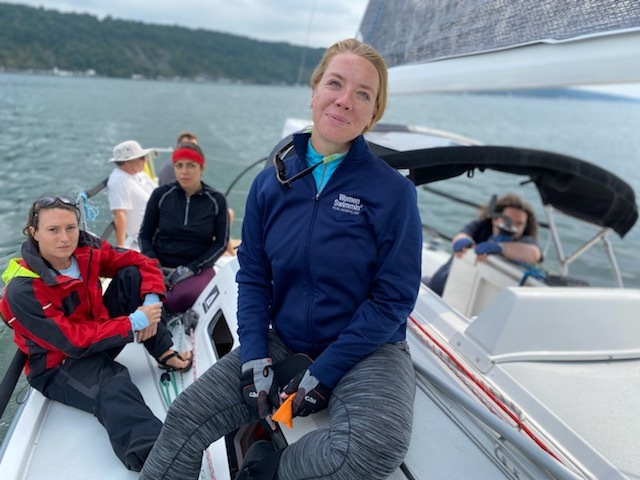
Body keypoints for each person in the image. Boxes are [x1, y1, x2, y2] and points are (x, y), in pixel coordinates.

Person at [140, 38, 423, 480]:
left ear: (373, 113)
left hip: (368, 347)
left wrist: (325, 373)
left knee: (373, 448)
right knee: (184, 417)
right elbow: (253, 276)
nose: (345, 100)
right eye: (335, 84)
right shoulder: (269, 185)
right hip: (284, 336)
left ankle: (262, 472)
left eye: (363, 94)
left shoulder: (393, 193)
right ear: (314, 92)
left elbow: (394, 299)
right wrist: (253, 354)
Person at [0, 195, 192, 471]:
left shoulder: (86, 248)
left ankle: (162, 350)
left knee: (131, 277)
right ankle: (159, 462)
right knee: (114, 383)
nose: (65, 238)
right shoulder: (24, 290)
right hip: (59, 364)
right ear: (34, 233)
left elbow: (141, 262)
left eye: (70, 228)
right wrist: (133, 322)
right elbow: (72, 342)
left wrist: (151, 300)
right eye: (53, 230)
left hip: (99, 334)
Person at [139, 142, 229, 314]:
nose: (184, 171)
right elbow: (144, 235)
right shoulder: (161, 195)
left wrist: (192, 268)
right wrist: (154, 264)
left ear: (202, 168)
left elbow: (221, 243)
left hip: (196, 268)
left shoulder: (216, 200)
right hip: (159, 263)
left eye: (191, 165)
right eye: (179, 165)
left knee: (182, 297)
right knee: (131, 284)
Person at [427, 193, 543, 296]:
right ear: (495, 219)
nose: (513, 227)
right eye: (507, 220)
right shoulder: (481, 226)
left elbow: (533, 254)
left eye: (519, 224)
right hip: (436, 286)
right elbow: (461, 236)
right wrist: (464, 243)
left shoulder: (525, 240)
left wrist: (500, 248)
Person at [106, 140, 158, 248]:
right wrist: (120, 248)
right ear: (128, 162)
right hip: (152, 237)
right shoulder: (118, 181)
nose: (146, 160)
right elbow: (119, 214)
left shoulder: (139, 173)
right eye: (142, 157)